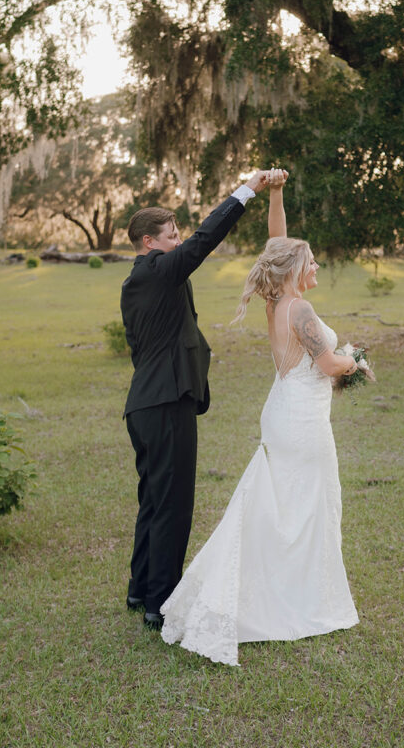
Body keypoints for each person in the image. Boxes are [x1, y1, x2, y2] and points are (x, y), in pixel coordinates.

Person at [160, 172, 369, 665]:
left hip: (282, 412)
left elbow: (278, 241)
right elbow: (328, 365)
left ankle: (276, 590)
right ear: (297, 268)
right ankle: (295, 603)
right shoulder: (300, 308)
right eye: (311, 259)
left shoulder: (278, 299)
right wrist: (355, 358)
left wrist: (276, 194)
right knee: (305, 508)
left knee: (281, 507)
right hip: (301, 421)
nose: (316, 264)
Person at [121, 169, 274, 630]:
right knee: (173, 504)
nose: (179, 240)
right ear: (150, 242)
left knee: (153, 499)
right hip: (165, 404)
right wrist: (247, 191)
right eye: (171, 236)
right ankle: (160, 603)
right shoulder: (156, 271)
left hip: (147, 404)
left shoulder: (142, 279)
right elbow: (204, 241)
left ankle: (139, 589)